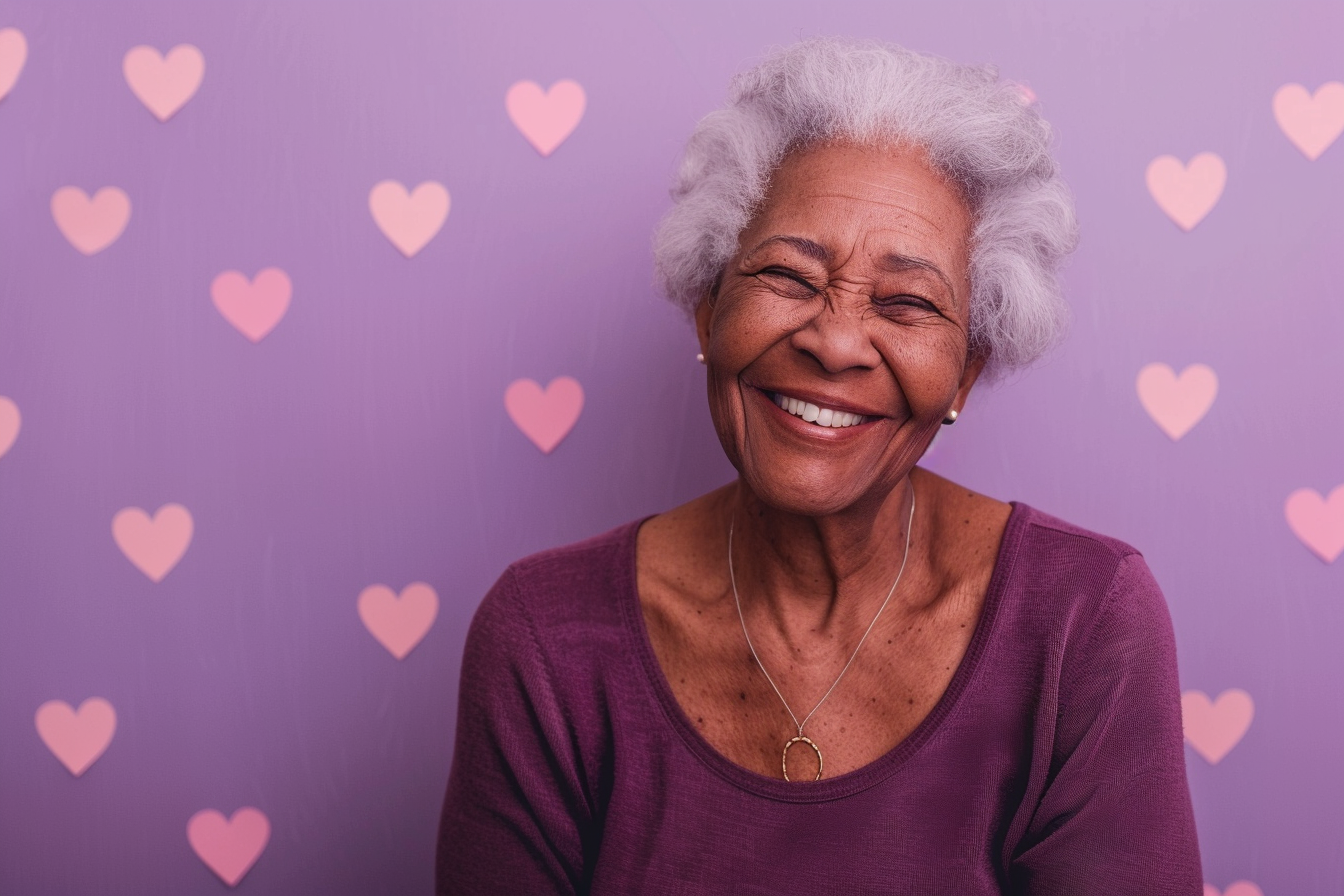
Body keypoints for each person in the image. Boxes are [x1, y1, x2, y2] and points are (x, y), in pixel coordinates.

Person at [436, 38, 1201, 895]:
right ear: (708, 314)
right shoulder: (544, 639)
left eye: (906, 303)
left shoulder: (1084, 623)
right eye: (789, 276)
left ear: (964, 374)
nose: (835, 342)